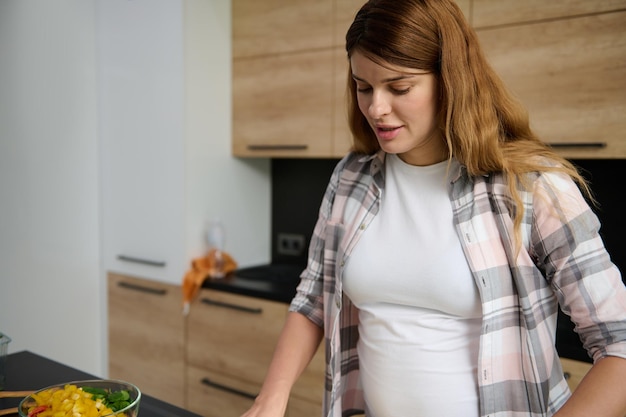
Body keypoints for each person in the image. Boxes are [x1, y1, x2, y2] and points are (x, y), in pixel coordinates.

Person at [240, 0, 626, 416]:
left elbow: (619, 344)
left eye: (399, 88)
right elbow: (313, 299)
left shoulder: (531, 186)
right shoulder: (351, 179)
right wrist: (271, 399)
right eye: (363, 86)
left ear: (450, 79)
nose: (376, 108)